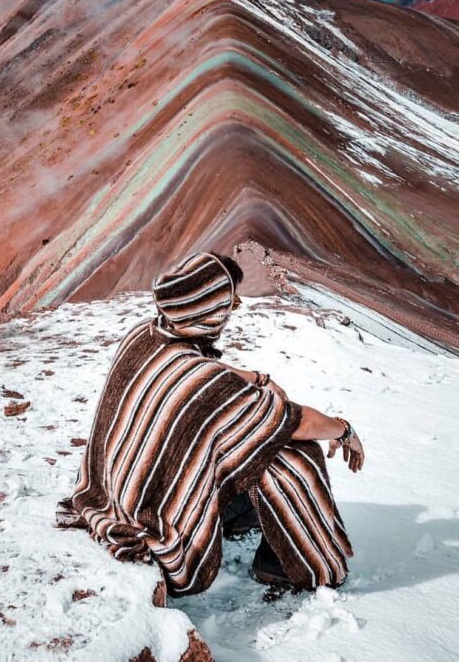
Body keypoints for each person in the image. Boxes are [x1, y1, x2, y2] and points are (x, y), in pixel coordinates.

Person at [55, 250, 364, 596]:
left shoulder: (145, 335)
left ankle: (233, 515)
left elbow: (204, 369)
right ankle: (284, 565)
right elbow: (296, 422)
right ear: (207, 310)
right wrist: (344, 431)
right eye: (229, 303)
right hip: (150, 514)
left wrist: (257, 378)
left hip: (114, 492)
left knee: (234, 442)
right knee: (293, 454)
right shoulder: (204, 382)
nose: (235, 309)